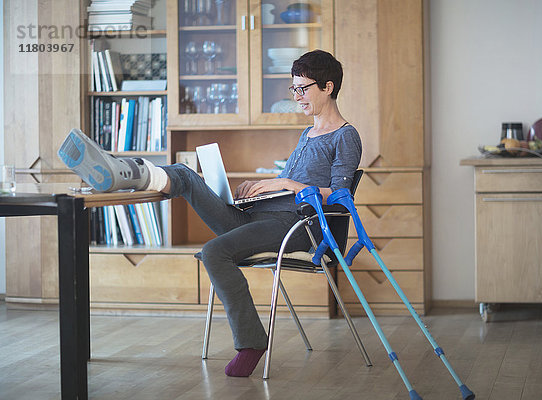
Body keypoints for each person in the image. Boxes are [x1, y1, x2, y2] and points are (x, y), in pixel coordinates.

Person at [58, 49, 362, 377]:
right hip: (261, 216)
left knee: (214, 251)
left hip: (300, 226)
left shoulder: (346, 135)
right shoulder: (307, 133)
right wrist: (263, 187)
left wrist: (285, 181)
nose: (297, 96)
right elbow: (290, 184)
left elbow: (340, 197)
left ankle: (251, 343)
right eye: (294, 89)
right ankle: (126, 174)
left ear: (327, 87)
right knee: (186, 175)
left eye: (302, 89)